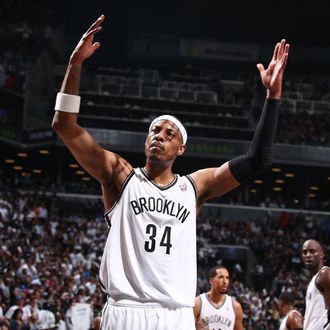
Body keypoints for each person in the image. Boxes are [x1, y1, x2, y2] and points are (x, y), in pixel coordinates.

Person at [52, 14, 289, 329]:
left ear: (181, 149)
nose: (159, 136)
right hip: (127, 311)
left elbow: (257, 158)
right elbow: (64, 125)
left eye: (169, 133)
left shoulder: (195, 187)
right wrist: (74, 64)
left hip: (177, 315)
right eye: (154, 130)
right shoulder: (120, 175)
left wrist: (272, 97)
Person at [193, 265, 243, 330]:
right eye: (221, 277)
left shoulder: (236, 306)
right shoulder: (197, 304)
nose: (225, 281)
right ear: (211, 281)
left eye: (227, 278)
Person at [301, 239, 330, 330]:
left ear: (321, 255)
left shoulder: (325, 274)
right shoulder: (314, 279)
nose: (308, 255)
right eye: (305, 252)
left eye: (312, 251)